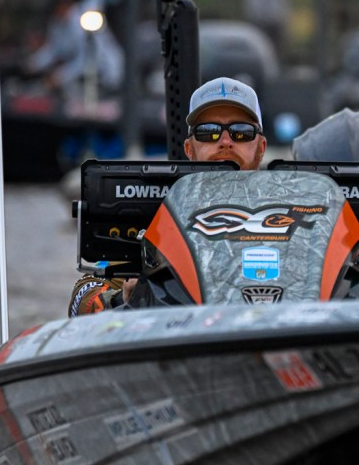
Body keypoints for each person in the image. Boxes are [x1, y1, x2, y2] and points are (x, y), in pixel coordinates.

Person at [69, 77, 267, 316]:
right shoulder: (157, 214)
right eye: (208, 132)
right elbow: (83, 298)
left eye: (241, 132)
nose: (225, 142)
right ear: (189, 149)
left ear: (261, 147)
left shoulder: (291, 211)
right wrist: (121, 297)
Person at [23, 0, 124, 100]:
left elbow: (86, 57)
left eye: (60, 8)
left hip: (110, 72)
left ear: (67, 3)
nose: (59, 13)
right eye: (56, 11)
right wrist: (35, 63)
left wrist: (60, 76)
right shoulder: (57, 25)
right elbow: (54, 49)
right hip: (82, 80)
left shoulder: (85, 11)